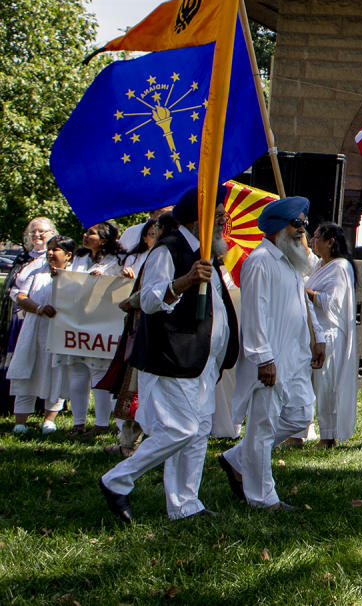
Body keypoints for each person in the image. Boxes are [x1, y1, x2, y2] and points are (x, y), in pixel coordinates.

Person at [98, 189, 239, 523]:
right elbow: (148, 300)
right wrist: (186, 281)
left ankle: (185, 505)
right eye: (217, 212)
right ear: (196, 217)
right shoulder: (168, 249)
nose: (224, 218)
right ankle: (117, 480)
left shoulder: (208, 253)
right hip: (172, 358)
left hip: (203, 363)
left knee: (199, 431)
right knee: (181, 430)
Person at [219, 197, 326, 511]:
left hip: (296, 357)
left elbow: (304, 306)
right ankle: (262, 498)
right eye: (297, 224)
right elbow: (254, 314)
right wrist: (263, 358)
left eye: (304, 224)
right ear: (279, 227)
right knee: (263, 428)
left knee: (300, 416)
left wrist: (317, 337)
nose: (302, 230)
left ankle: (238, 458)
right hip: (270, 360)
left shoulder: (292, 264)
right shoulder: (260, 261)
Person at [63, 220, 125, 435]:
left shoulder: (117, 259)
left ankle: (100, 424)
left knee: (99, 371)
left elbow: (121, 286)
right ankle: (78, 422)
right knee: (77, 371)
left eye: (91, 233)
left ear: (105, 239)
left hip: (102, 322)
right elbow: (69, 283)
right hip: (77, 320)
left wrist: (105, 279)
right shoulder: (80, 258)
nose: (85, 235)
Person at [9, 236, 73, 434]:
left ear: (68, 255)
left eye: (56, 250)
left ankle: (49, 419)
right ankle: (20, 422)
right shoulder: (37, 270)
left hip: (60, 329)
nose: (51, 253)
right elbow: (21, 296)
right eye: (50, 249)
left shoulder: (75, 274)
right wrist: (38, 308)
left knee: (57, 371)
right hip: (34, 327)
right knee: (27, 368)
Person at [305, 223, 358, 447]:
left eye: (317, 237)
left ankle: (328, 436)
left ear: (330, 242)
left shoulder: (340, 267)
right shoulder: (318, 265)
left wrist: (303, 291)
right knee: (307, 384)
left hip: (330, 334)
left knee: (326, 385)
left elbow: (332, 303)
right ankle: (300, 430)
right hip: (312, 332)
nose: (312, 240)